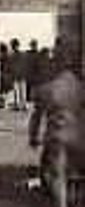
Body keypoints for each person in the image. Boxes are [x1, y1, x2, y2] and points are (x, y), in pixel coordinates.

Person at [29, 36, 80, 194]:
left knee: (57, 176)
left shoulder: (48, 87)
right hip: (79, 136)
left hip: (57, 137)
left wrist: (33, 137)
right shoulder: (80, 86)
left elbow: (37, 115)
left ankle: (61, 206)